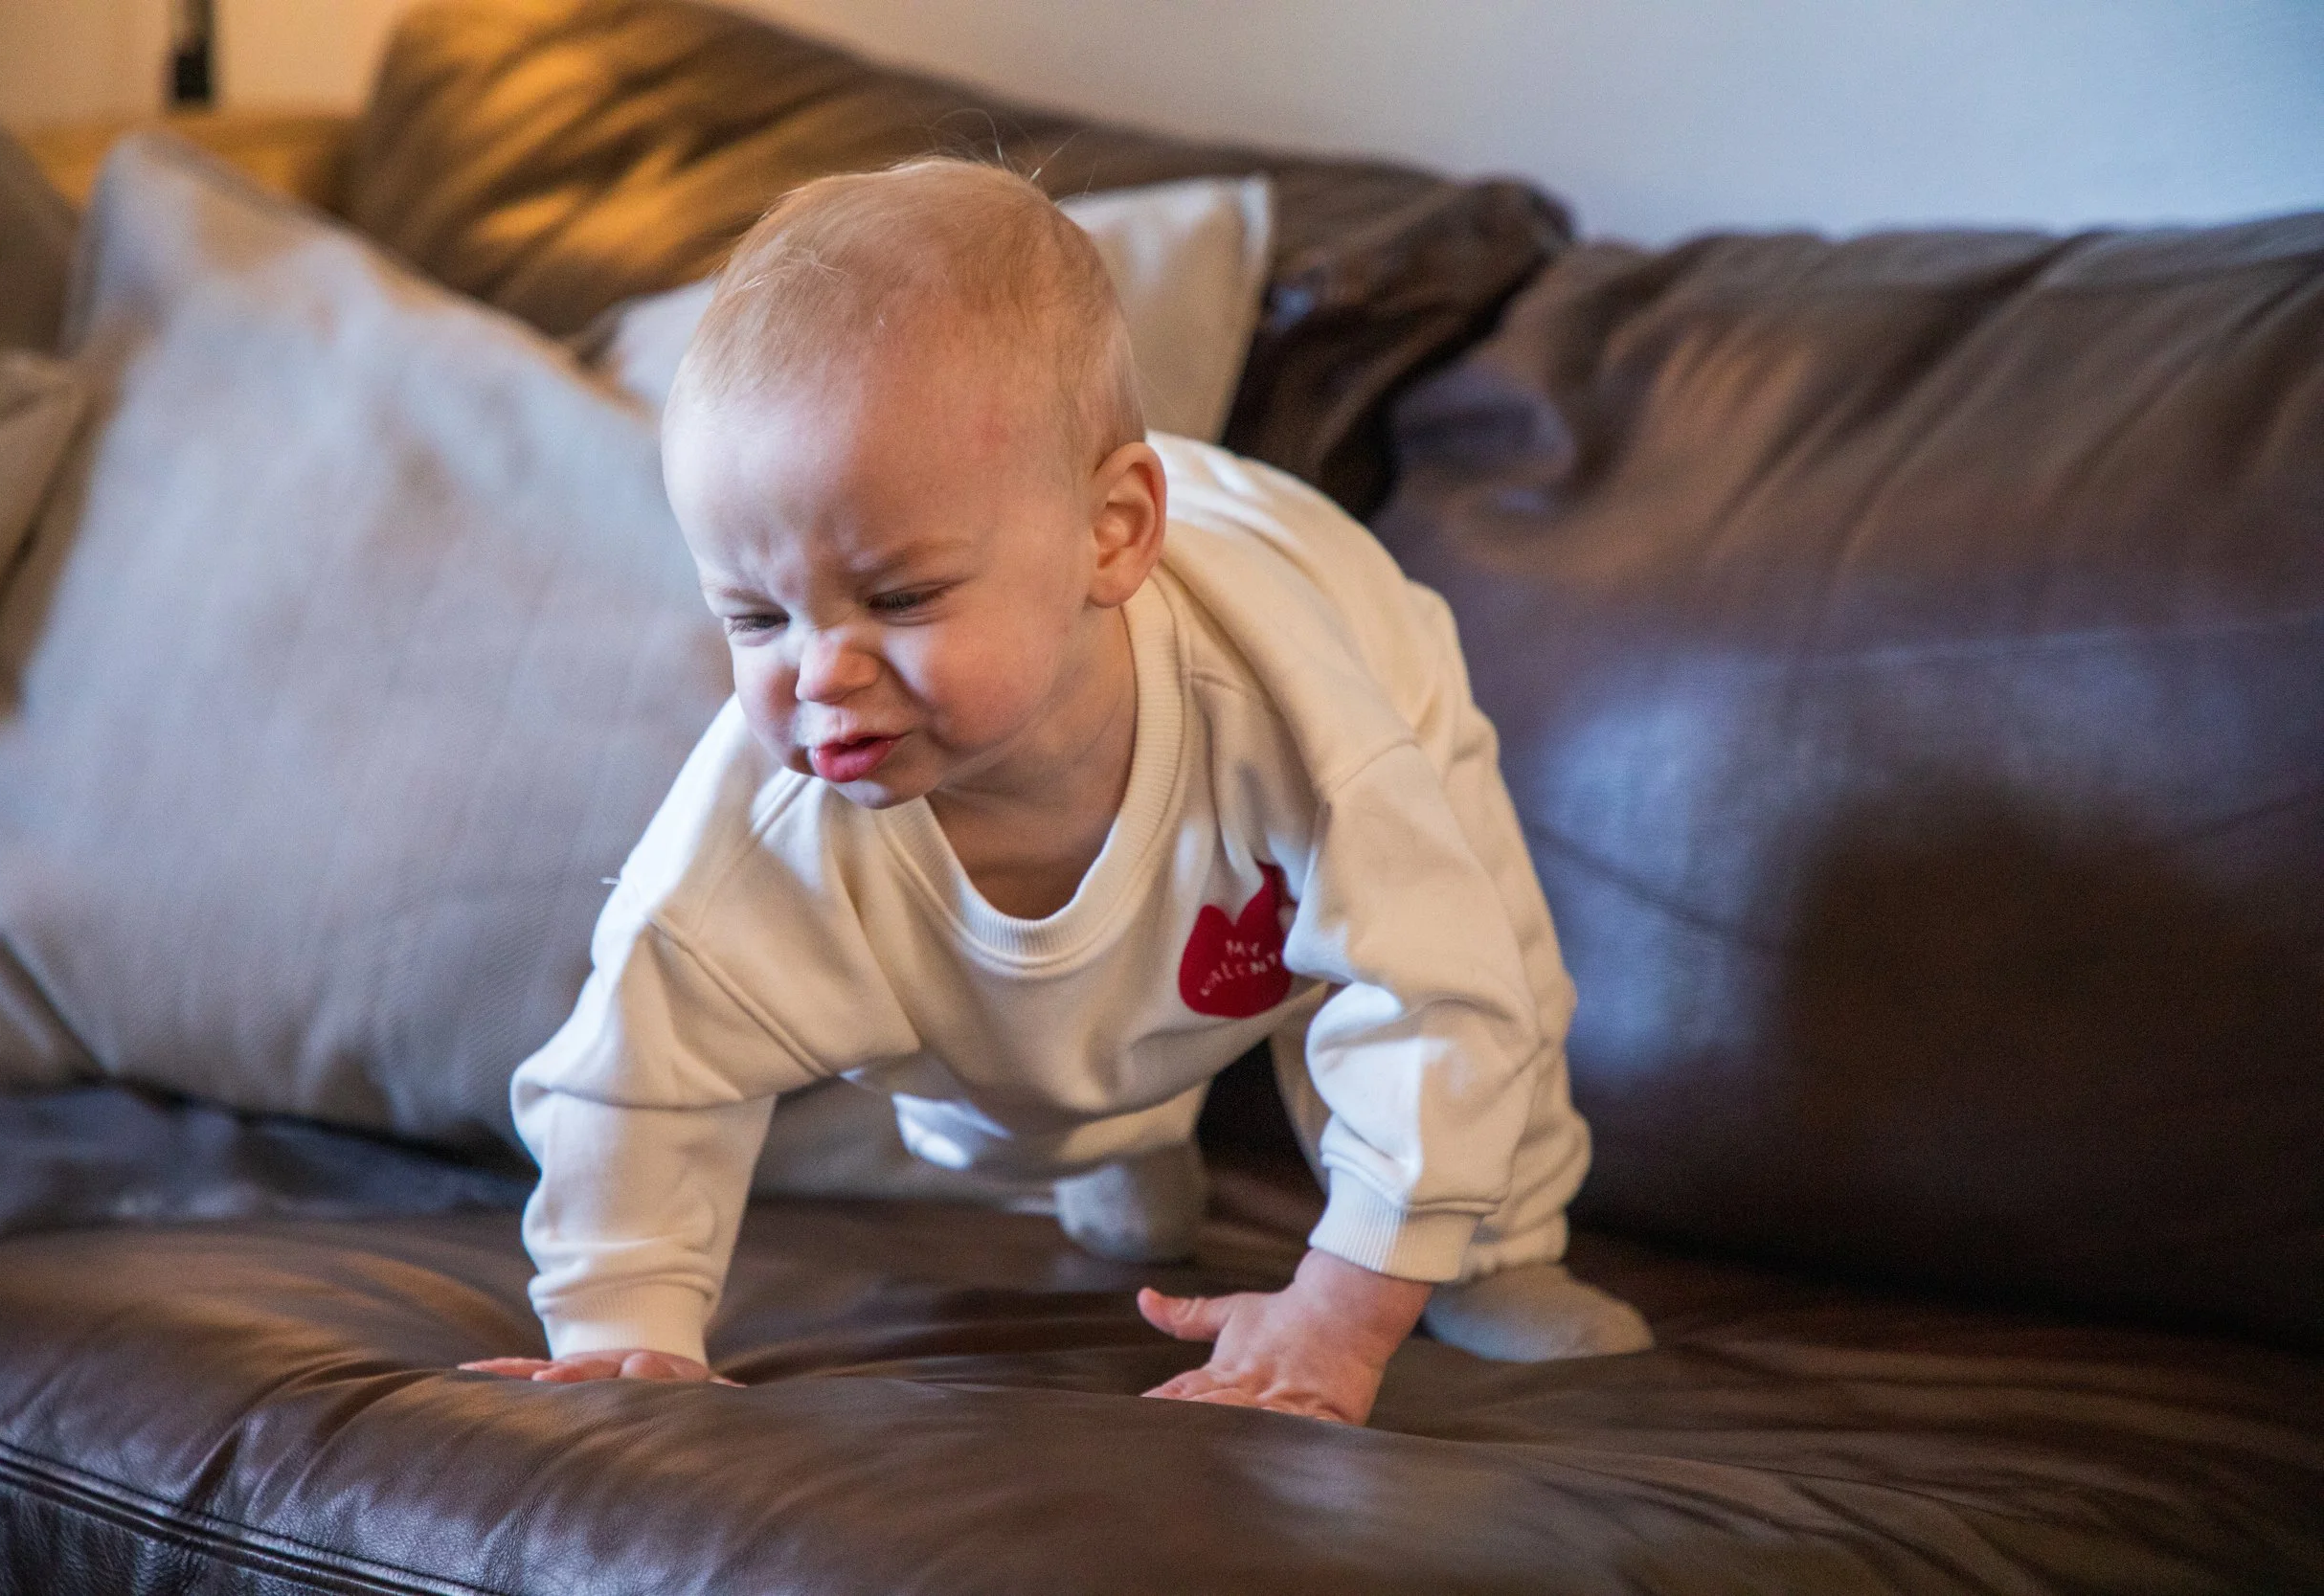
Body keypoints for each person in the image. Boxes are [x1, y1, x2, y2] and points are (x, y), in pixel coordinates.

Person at [462, 158, 1650, 1425]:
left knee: (1465, 950)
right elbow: (634, 1071)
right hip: (1054, 973)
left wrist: (1341, 1311)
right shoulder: (769, 816)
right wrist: (624, 1321)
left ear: (1113, 532)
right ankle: (1121, 1144)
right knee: (1004, 1069)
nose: (822, 673)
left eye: (900, 596)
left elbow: (1438, 998)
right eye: (756, 615)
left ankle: (1505, 1242)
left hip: (1344, 663)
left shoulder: (1304, 726)